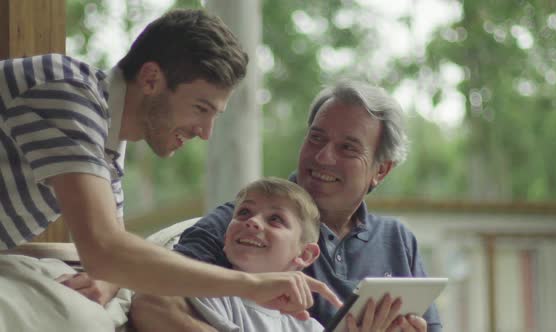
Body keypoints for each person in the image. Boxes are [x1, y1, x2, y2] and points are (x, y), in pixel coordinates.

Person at [0, 8, 340, 330]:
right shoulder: (66, 92)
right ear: (151, 79)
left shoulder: (105, 151)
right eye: (200, 108)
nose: (205, 133)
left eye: (213, 116)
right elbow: (105, 250)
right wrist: (250, 285)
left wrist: (111, 273)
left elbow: (112, 261)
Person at [131, 80, 443, 332]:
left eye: (347, 148)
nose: (323, 157)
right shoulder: (241, 221)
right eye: (316, 139)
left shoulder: (398, 239)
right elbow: (156, 294)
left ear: (380, 170)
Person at [134, 177, 377, 332]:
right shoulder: (211, 293)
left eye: (275, 219)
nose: (252, 222)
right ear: (225, 236)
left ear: (305, 254)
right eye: (244, 213)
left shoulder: (308, 327)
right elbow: (148, 303)